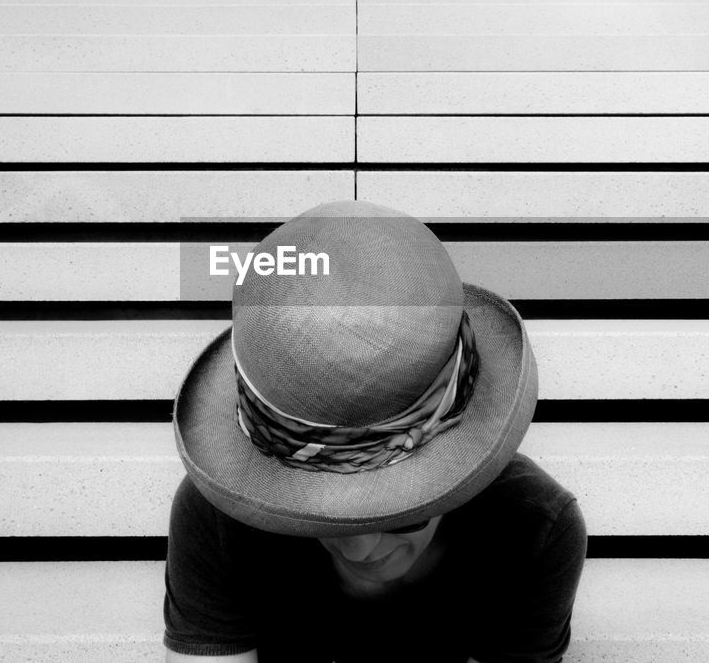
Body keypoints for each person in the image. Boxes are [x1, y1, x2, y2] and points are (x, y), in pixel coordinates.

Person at [164, 200, 587, 662]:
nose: (359, 547)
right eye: (309, 517)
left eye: (405, 515)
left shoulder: (532, 527)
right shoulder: (221, 516)